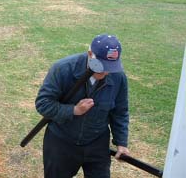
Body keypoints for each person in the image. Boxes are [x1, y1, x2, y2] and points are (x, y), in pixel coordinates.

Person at [35, 34, 130, 178]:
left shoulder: (118, 77)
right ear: (90, 54)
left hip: (97, 142)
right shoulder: (63, 69)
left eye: (109, 67)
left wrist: (121, 142)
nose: (105, 72)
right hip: (61, 141)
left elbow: (120, 112)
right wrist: (73, 110)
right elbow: (43, 104)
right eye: (101, 66)